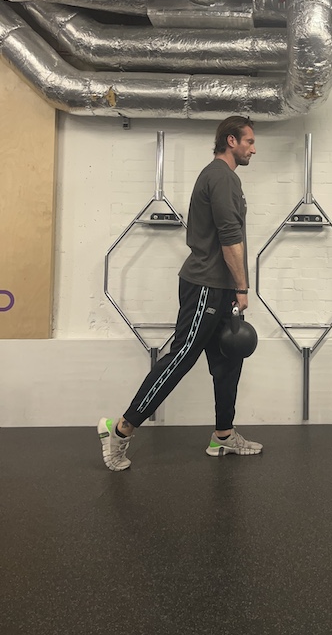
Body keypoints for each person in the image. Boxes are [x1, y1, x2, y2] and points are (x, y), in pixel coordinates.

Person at [98, 115, 262, 470]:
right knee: (182, 357)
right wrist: (242, 286)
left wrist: (233, 289)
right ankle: (120, 429)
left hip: (218, 287)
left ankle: (223, 436)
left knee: (228, 359)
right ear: (231, 141)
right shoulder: (221, 176)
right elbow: (229, 236)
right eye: (248, 141)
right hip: (207, 285)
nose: (253, 148)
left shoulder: (221, 177)